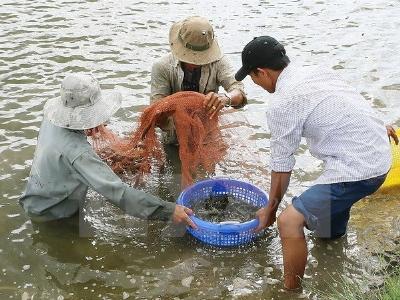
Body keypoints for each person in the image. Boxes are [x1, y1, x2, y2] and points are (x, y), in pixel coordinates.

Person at [235, 36, 398, 290]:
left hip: (360, 168)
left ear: (261, 72)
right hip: (377, 152)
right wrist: (378, 127)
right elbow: (351, 102)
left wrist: (271, 209)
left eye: (253, 78)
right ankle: (334, 253)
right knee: (326, 229)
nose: (255, 84)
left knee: (289, 222)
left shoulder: (282, 102)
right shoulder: (314, 70)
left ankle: (290, 291)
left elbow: (282, 165)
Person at [20, 73, 196, 229]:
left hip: (35, 199)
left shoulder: (51, 120)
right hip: (53, 216)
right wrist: (169, 210)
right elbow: (119, 193)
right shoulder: (78, 153)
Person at [150, 16, 247, 144]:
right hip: (173, 137)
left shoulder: (219, 62)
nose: (194, 62)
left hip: (208, 135)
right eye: (189, 57)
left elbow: (239, 92)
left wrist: (225, 98)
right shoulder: (162, 66)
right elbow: (156, 110)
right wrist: (175, 115)